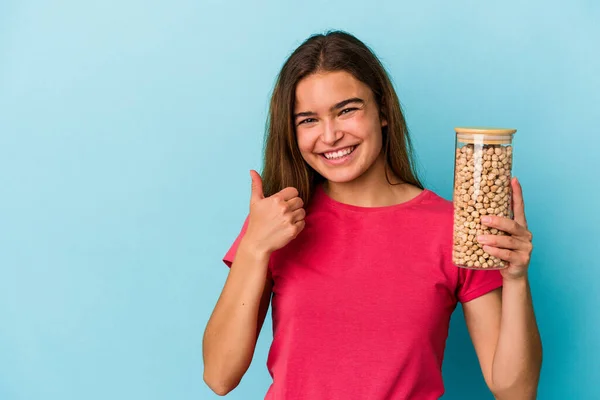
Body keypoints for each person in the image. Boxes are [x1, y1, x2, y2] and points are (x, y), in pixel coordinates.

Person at [202, 30, 542, 400]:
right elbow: (219, 376)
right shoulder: (276, 222)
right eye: (308, 120)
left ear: (381, 110)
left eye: (347, 110)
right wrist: (253, 248)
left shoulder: (452, 227)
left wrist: (516, 280)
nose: (330, 135)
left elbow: (515, 391)